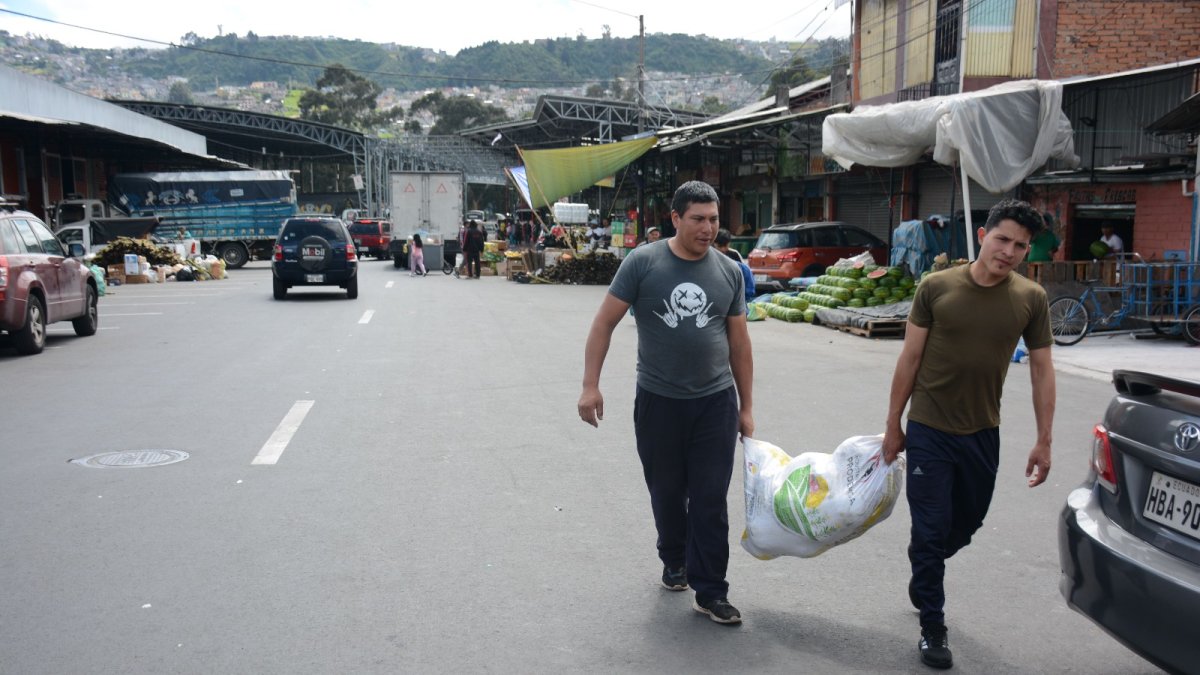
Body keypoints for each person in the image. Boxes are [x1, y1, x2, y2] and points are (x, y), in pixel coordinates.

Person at [882, 198, 1056, 670]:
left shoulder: (1029, 298)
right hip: (929, 429)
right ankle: (932, 626)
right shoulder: (936, 286)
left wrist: (1044, 439)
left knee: (968, 523)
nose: (1009, 251)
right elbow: (909, 360)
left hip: (983, 430)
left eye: (1020, 245)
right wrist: (893, 424)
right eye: (1002, 239)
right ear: (983, 235)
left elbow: (1042, 370)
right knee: (932, 526)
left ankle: (926, 563)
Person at [578, 181, 754, 626]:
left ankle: (711, 589)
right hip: (659, 401)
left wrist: (746, 406)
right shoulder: (643, 263)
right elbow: (604, 324)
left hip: (715, 402)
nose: (708, 228)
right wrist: (590, 385)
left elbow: (739, 343)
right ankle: (673, 557)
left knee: (711, 498)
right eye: (698, 218)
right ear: (675, 219)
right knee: (668, 492)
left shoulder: (729, 271)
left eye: (714, 219)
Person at [714, 228, 755, 304]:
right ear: (714, 243)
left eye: (725, 245)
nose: (723, 249)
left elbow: (745, 274)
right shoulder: (709, 254)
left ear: (729, 243)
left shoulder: (734, 254)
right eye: (720, 246)